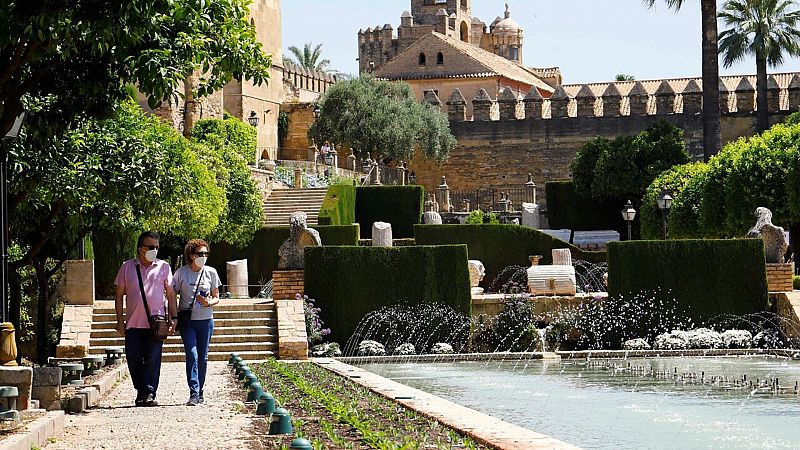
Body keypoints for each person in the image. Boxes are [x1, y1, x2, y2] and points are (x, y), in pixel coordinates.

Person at [114, 231, 177, 407]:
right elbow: (118, 295)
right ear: (140, 248)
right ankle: (141, 390)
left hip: (156, 323)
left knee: (153, 359)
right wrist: (120, 320)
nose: (154, 250)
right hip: (133, 323)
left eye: (157, 247)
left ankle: (149, 393)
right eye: (151, 247)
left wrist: (174, 317)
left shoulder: (164, 267)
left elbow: (171, 294)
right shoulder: (127, 267)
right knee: (133, 359)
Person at [172, 239, 222, 406]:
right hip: (188, 322)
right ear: (191, 255)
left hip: (206, 321)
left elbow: (217, 297)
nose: (204, 256)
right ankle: (193, 392)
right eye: (200, 254)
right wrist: (172, 315)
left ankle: (200, 390)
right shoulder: (181, 273)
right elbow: (171, 294)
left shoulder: (211, 272)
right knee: (192, 354)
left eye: (206, 253)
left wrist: (209, 302)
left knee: (203, 357)